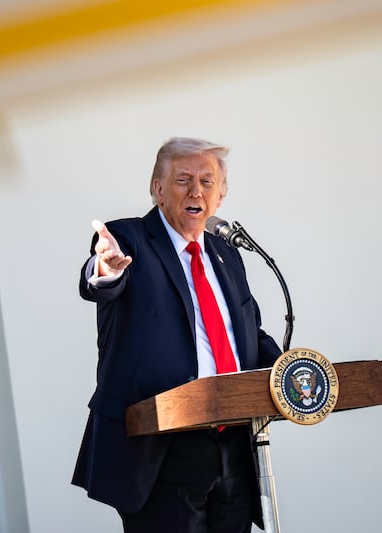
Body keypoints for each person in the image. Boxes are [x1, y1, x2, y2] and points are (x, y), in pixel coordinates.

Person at [72, 137, 282, 532]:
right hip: (161, 445)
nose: (195, 191)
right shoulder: (128, 239)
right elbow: (101, 281)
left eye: (207, 181)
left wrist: (292, 370)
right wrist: (106, 269)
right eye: (183, 180)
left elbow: (246, 335)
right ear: (158, 189)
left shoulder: (226, 253)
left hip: (234, 442)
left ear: (221, 195)